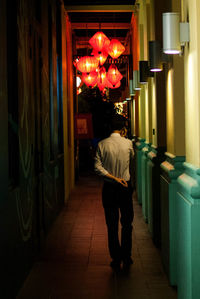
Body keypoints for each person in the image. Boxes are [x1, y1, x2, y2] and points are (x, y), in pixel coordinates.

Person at [94, 114, 134, 270]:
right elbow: (131, 162)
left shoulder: (102, 145)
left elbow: (97, 168)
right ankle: (127, 255)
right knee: (127, 223)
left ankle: (116, 257)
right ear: (123, 128)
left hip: (109, 189)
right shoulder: (128, 144)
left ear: (109, 127)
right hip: (125, 187)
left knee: (111, 224)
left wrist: (112, 177)